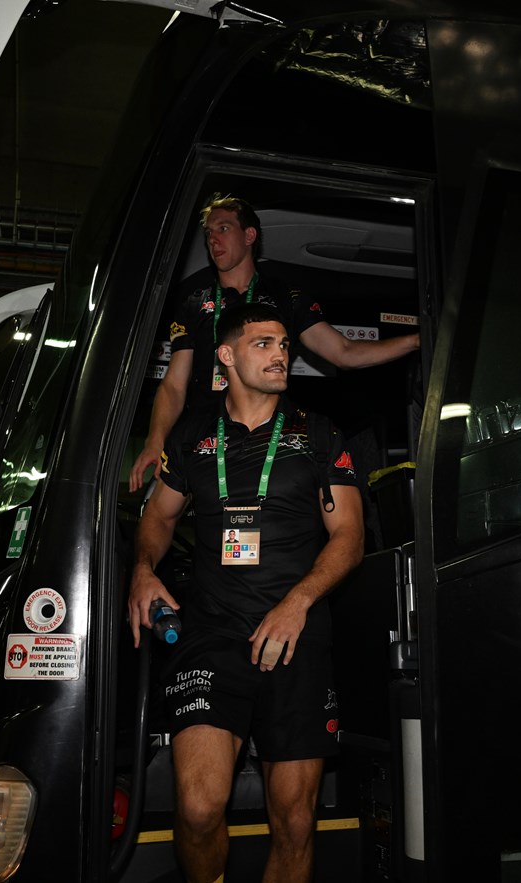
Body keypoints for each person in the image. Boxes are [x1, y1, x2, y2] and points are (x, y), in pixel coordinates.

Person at [128, 302, 364, 883]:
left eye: (284, 344)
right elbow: (159, 518)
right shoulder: (192, 436)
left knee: (296, 824)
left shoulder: (318, 433)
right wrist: (143, 569)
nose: (280, 354)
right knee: (198, 809)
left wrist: (297, 603)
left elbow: (350, 537)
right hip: (212, 634)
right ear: (226, 356)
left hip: (295, 637)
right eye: (264, 344)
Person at [128, 193, 420, 492]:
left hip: (268, 438)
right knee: (160, 509)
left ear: (249, 235)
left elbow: (345, 353)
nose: (213, 239)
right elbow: (174, 384)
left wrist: (416, 340)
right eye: (209, 233)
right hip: (204, 438)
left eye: (223, 228)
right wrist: (155, 441)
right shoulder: (195, 303)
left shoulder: (285, 297)